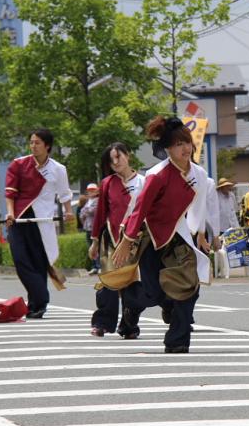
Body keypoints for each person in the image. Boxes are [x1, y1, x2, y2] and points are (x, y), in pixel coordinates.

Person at [113, 116, 210, 354]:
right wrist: (127, 240)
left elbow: (199, 207)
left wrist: (200, 233)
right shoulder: (157, 175)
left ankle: (177, 340)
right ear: (167, 149)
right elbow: (140, 209)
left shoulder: (199, 174)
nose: (185, 148)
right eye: (178, 145)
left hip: (177, 235)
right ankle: (132, 303)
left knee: (190, 286)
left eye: (186, 142)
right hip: (150, 237)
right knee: (153, 293)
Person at [5, 129, 74, 319]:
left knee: (37, 262)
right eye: (31, 142)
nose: (33, 146)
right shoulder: (18, 164)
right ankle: (42, 296)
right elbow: (10, 193)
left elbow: (64, 193)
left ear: (47, 146)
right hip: (18, 218)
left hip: (42, 220)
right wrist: (10, 213)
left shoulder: (58, 169)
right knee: (21, 261)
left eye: (37, 143)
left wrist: (68, 211)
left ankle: (37, 305)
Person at [88, 143, 145, 339]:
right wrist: (94, 242)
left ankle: (129, 326)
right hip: (111, 239)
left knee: (133, 286)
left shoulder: (144, 182)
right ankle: (102, 323)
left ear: (128, 155)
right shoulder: (107, 184)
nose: (116, 161)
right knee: (109, 283)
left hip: (136, 242)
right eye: (111, 160)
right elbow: (100, 214)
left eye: (118, 156)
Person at [80, 183, 100, 274]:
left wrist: (86, 211)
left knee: (97, 247)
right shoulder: (88, 201)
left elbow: (93, 211)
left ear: (97, 191)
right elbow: (81, 212)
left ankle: (100, 266)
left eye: (93, 190)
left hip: (95, 227)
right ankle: (94, 266)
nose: (91, 192)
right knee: (90, 247)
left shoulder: (98, 200)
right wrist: (86, 211)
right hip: (87, 227)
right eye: (89, 190)